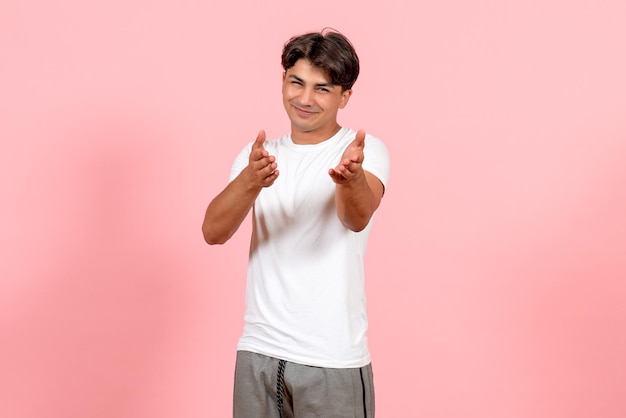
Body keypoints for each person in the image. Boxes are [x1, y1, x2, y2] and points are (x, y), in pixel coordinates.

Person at [202, 29, 390, 418]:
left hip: (331, 358)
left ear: (344, 97)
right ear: (283, 81)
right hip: (258, 351)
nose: (305, 99)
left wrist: (351, 179)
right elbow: (213, 232)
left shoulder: (362, 151)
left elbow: (356, 218)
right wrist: (250, 181)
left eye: (322, 88)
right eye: (297, 82)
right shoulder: (258, 156)